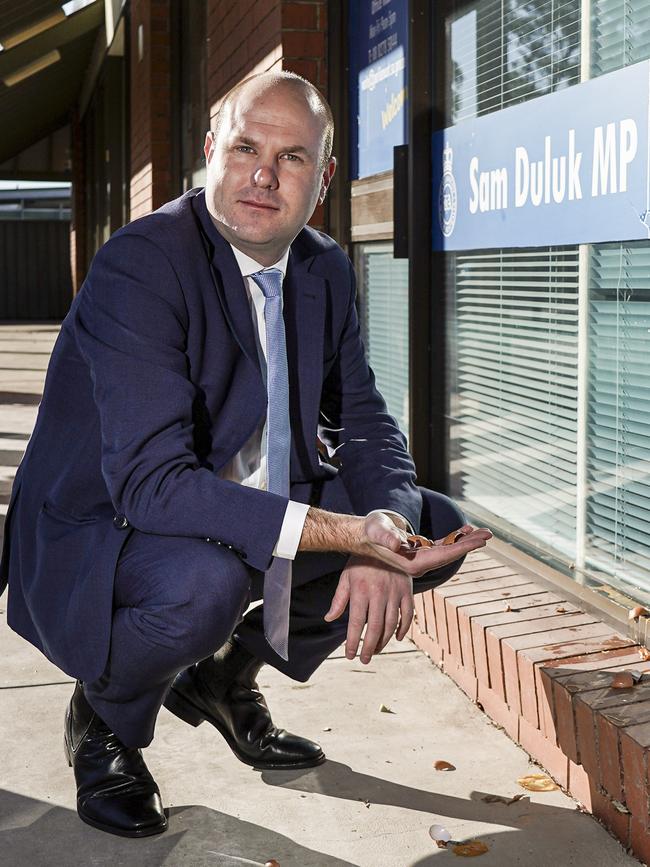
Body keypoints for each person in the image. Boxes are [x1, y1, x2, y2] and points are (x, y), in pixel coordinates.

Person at [0, 71, 491, 839]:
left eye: (292, 157)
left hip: (242, 500)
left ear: (323, 179)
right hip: (106, 525)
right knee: (206, 584)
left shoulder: (323, 267)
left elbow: (362, 419)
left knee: (435, 525)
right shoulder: (143, 264)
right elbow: (154, 487)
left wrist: (386, 530)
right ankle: (105, 717)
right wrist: (350, 534)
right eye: (244, 148)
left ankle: (223, 678)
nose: (263, 175)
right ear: (209, 154)